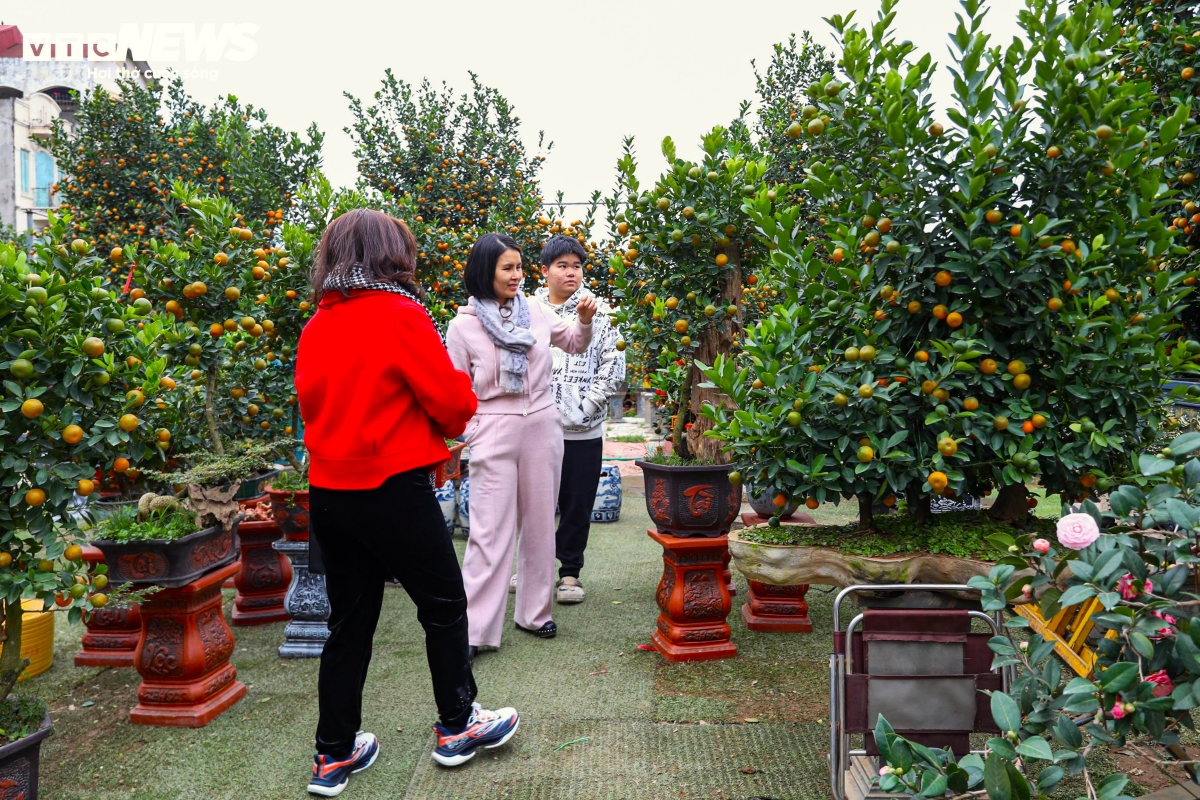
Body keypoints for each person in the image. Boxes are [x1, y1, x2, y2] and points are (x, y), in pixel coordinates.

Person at [296, 210, 519, 796]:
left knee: (348, 623)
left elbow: (315, 405)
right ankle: (458, 725)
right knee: (444, 604)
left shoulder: (318, 322)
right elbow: (453, 406)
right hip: (392, 486)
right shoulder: (400, 313)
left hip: (330, 492)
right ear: (391, 255)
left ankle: (333, 755)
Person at [446, 232, 595, 658]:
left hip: (543, 427)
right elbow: (455, 388)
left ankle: (534, 613)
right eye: (507, 268)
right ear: (485, 272)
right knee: (489, 532)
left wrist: (584, 320)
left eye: (519, 267)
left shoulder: (535, 310)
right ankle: (477, 630)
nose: (517, 276)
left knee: (540, 524)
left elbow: (574, 343)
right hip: (493, 429)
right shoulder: (462, 326)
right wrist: (474, 428)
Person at [534, 235, 625, 604]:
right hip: (535, 427)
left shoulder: (601, 313)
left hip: (583, 432)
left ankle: (569, 573)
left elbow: (614, 365)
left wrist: (586, 407)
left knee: (576, 505)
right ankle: (534, 569)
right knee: (535, 504)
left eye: (576, 266)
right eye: (562, 266)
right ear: (545, 271)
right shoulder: (528, 311)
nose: (571, 272)